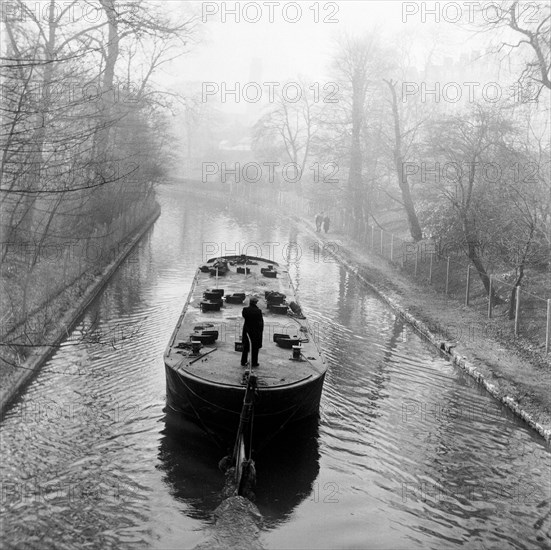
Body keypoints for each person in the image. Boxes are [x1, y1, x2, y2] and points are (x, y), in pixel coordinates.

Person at [241, 296, 264, 367]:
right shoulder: (258, 311)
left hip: (247, 330)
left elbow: (245, 317)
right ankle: (254, 362)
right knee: (255, 348)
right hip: (255, 331)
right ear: (256, 303)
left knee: (246, 347)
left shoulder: (245, 310)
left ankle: (243, 361)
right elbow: (260, 322)